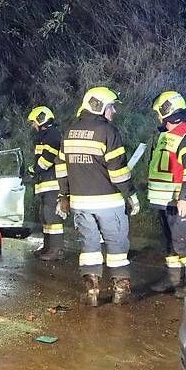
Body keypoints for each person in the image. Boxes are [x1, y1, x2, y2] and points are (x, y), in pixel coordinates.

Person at [56, 87, 138, 306]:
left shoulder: (70, 131)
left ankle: (92, 291)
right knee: (117, 247)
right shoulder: (108, 132)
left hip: (80, 203)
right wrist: (130, 194)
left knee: (89, 247)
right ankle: (120, 291)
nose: (114, 111)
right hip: (108, 202)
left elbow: (61, 167)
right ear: (99, 105)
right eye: (111, 106)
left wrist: (63, 195)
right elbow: (117, 170)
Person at [145, 91, 186, 297]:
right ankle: (172, 279)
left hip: (181, 201)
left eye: (158, 113)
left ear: (166, 111)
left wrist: (185, 198)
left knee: (185, 245)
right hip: (164, 201)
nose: (157, 117)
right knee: (170, 244)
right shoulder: (166, 136)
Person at [27, 105, 65, 261]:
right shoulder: (45, 136)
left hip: (53, 184)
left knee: (52, 217)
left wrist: (33, 171)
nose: (32, 125)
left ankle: (56, 250)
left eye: (33, 122)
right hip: (45, 183)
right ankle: (48, 247)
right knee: (45, 216)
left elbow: (47, 160)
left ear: (40, 119)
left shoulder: (52, 135)